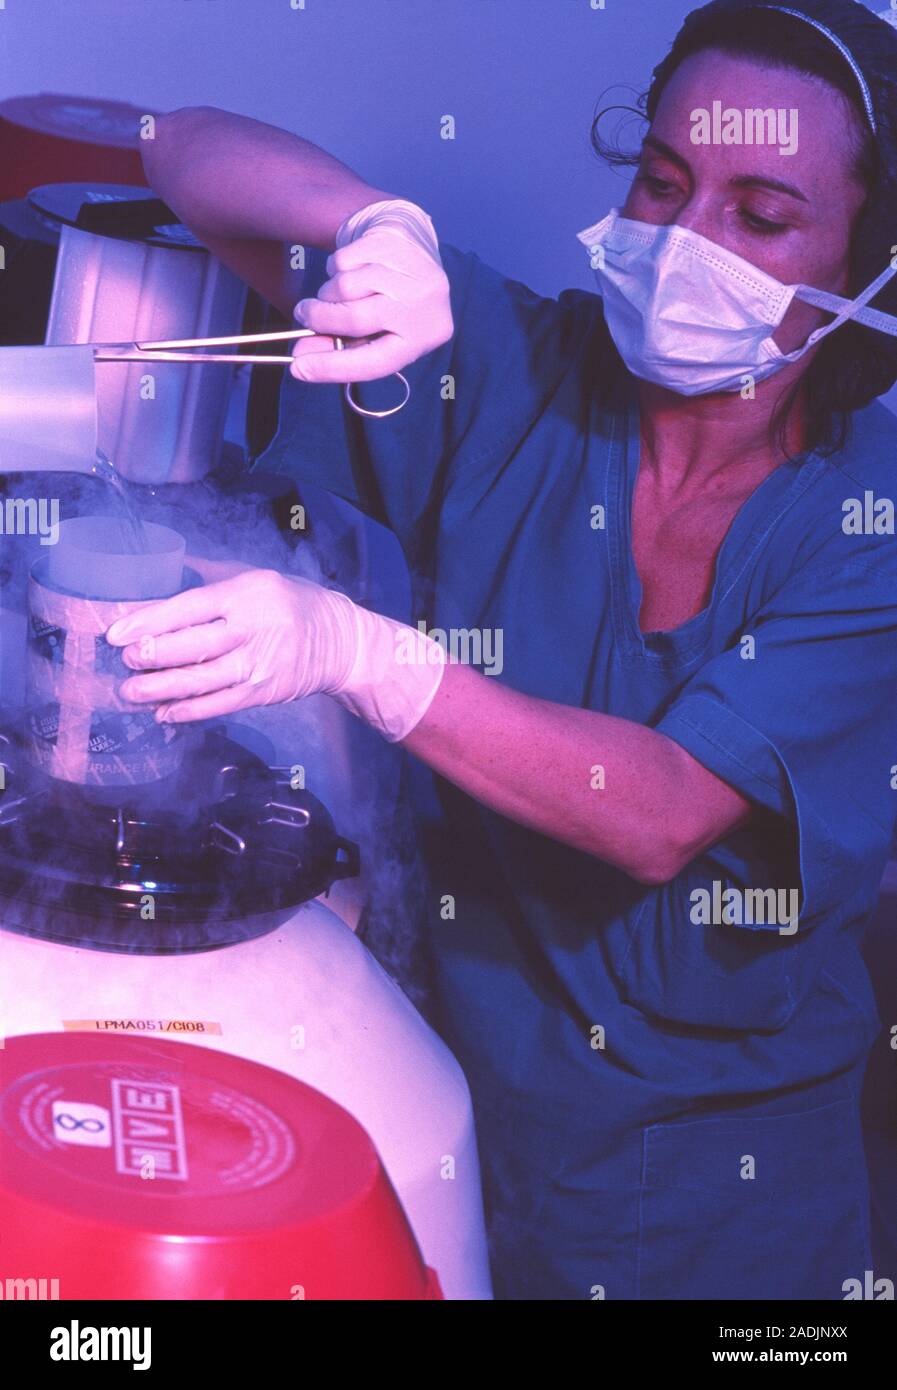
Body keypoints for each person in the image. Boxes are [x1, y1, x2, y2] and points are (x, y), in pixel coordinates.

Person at [107, 0, 897, 1299]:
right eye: (660, 182)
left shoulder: (864, 525)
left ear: (866, 266)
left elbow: (653, 810)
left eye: (759, 216)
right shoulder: (516, 371)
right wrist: (376, 222)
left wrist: (361, 655)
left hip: (716, 1236)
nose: (685, 241)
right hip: (453, 1144)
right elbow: (176, 145)